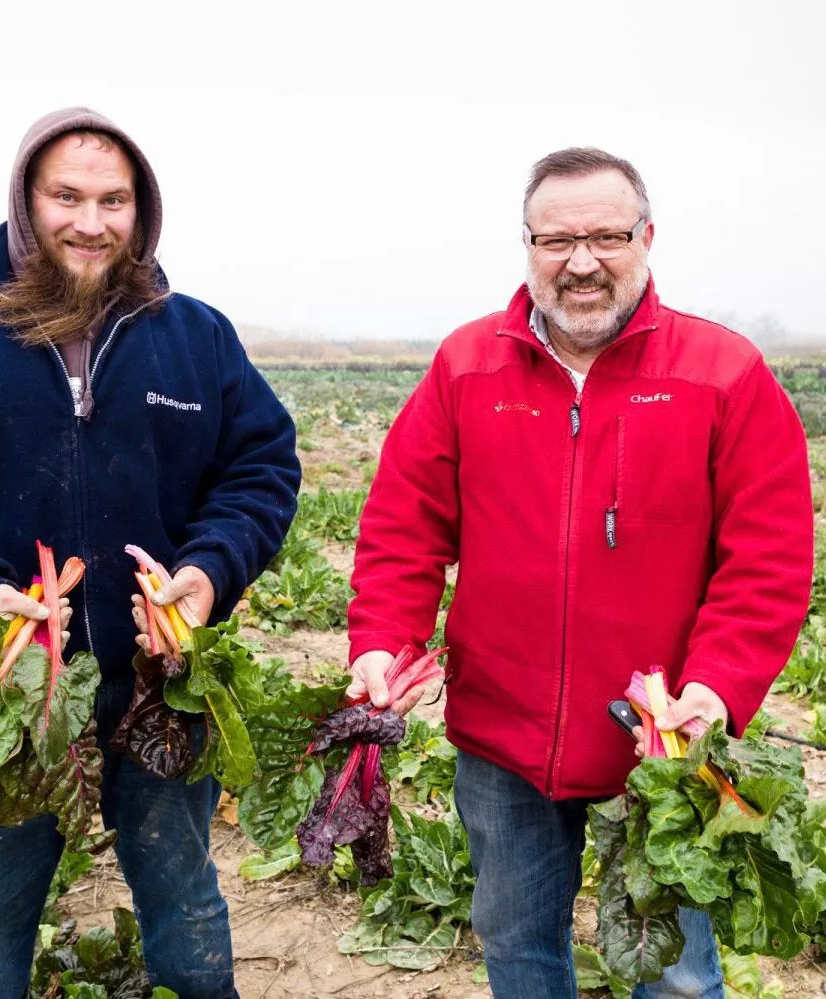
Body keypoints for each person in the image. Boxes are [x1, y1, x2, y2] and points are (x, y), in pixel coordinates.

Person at [0, 107, 300, 999]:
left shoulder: (196, 336)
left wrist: (207, 571)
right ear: (25, 203)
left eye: (114, 200)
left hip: (159, 679)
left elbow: (261, 469)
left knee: (187, 908)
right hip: (7, 690)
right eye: (67, 196)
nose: (92, 221)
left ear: (141, 211)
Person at [346, 147, 812, 998]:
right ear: (527, 245)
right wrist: (383, 640)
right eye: (556, 239)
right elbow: (402, 527)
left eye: (605, 236)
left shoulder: (723, 373)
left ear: (646, 238)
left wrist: (714, 688)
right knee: (518, 950)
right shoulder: (465, 366)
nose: (582, 261)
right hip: (503, 731)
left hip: (664, 738)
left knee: (674, 975)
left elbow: (768, 561)